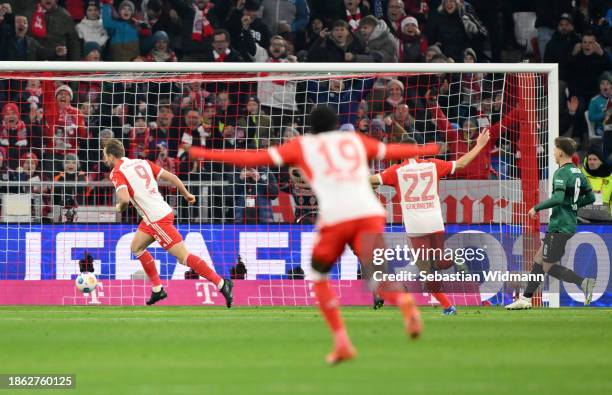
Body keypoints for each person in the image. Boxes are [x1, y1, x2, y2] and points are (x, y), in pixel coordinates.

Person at [190, 105, 441, 364]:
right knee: (379, 277)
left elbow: (254, 159)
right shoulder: (352, 140)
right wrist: (426, 150)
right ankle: (404, 301)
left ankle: (342, 342)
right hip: (370, 214)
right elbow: (391, 151)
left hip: (336, 217)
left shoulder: (304, 145)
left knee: (319, 275)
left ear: (312, 127)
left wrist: (205, 152)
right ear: (335, 125)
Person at [370, 131, 491, 315]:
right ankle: (456, 258)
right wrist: (480, 145)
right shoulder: (433, 165)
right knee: (440, 263)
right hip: (435, 222)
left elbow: (371, 180)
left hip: (416, 227)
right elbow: (462, 163)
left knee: (426, 271)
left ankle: (449, 307)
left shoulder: (396, 171)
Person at [103, 138, 234, 307]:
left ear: (112, 156)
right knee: (136, 247)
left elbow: (124, 200)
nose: (104, 159)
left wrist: (118, 208)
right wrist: (186, 194)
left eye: (105, 156)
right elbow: (171, 176)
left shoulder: (117, 172)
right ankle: (158, 289)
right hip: (158, 214)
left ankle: (222, 283)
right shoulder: (142, 162)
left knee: (183, 257)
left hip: (156, 219)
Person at [505, 137, 596, 310]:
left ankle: (583, 282)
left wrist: (536, 208)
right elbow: (590, 197)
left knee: (546, 265)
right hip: (567, 224)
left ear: (561, 151)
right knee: (539, 260)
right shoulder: (578, 172)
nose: (553, 153)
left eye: (555, 150)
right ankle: (526, 299)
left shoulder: (561, 173)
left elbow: (558, 198)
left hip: (559, 225)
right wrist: (574, 205)